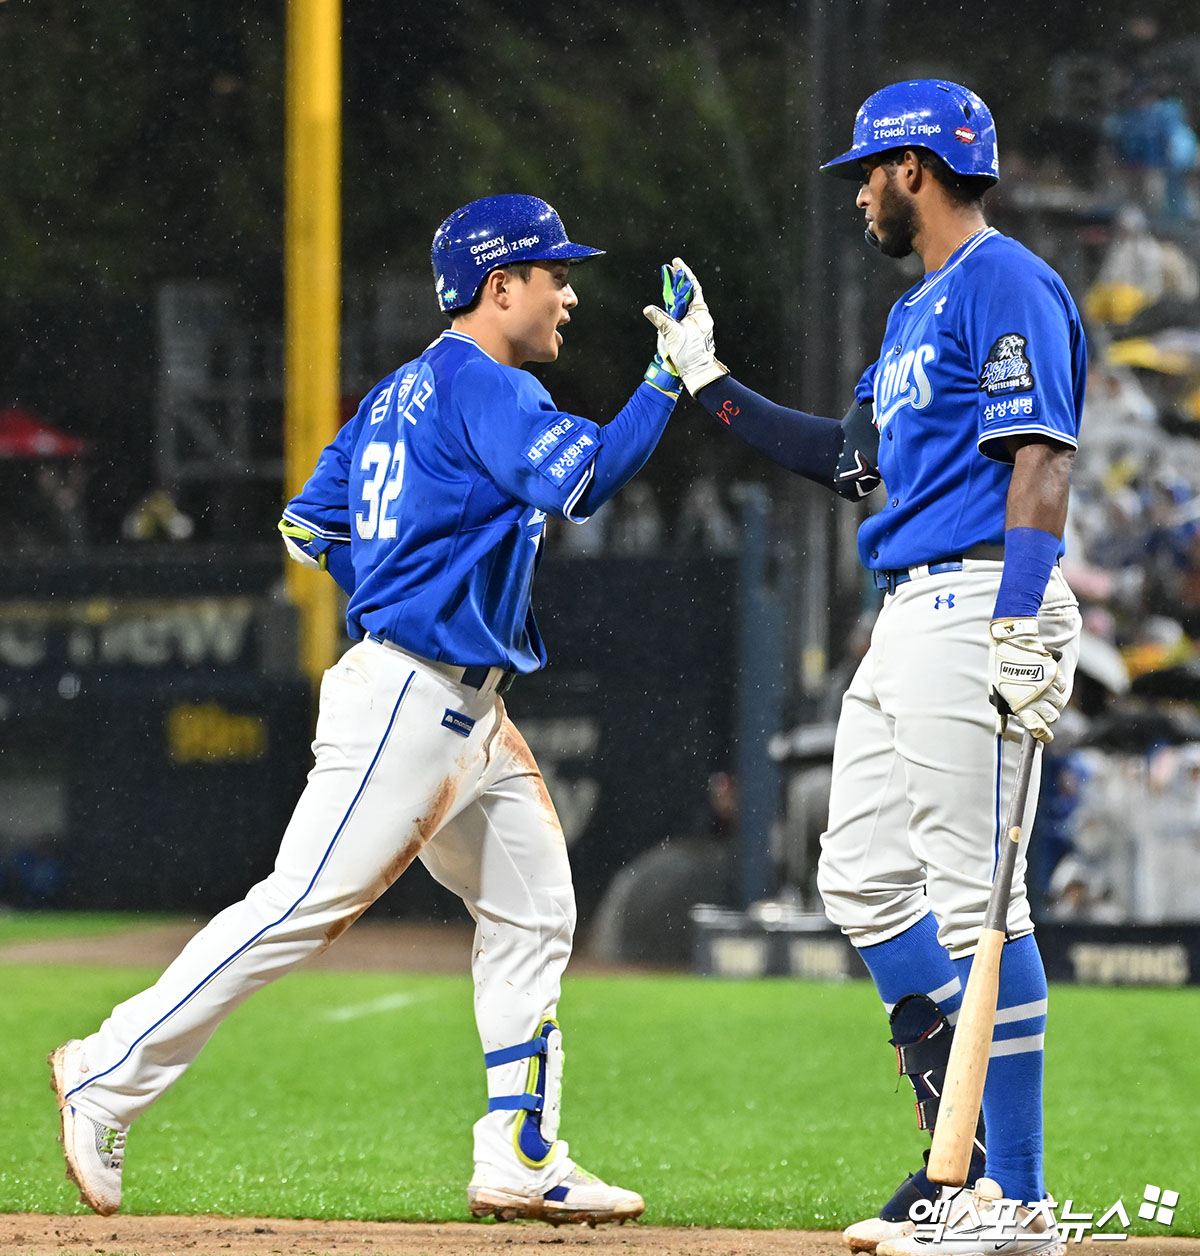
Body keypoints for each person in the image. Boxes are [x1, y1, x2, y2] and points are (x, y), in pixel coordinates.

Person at [50, 193, 692, 1227]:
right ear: (500, 285)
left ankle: (520, 1154)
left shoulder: (399, 392)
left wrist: (392, 577)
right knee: (301, 903)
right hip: (415, 693)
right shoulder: (491, 387)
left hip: (462, 704)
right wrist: (669, 380)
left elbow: (307, 524)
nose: (569, 291)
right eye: (554, 273)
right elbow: (591, 478)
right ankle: (107, 1067)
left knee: (536, 911)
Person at [646, 81, 1085, 1256]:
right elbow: (850, 460)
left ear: (918, 169)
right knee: (861, 878)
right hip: (904, 612)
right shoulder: (910, 318)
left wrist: (1025, 607)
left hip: (981, 593)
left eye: (868, 174)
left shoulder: (1007, 282)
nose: (858, 198)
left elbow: (1040, 455)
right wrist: (709, 385)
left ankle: (1016, 1199)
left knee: (983, 900)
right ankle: (963, 1158)